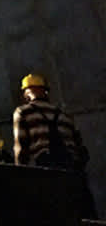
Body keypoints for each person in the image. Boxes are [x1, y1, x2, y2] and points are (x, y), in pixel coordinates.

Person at [13, 73, 97, 218]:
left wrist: (20, 176)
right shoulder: (64, 114)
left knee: (52, 213)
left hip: (47, 168)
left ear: (27, 92)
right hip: (73, 170)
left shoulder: (23, 112)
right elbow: (80, 146)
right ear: (45, 91)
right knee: (81, 214)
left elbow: (21, 147)